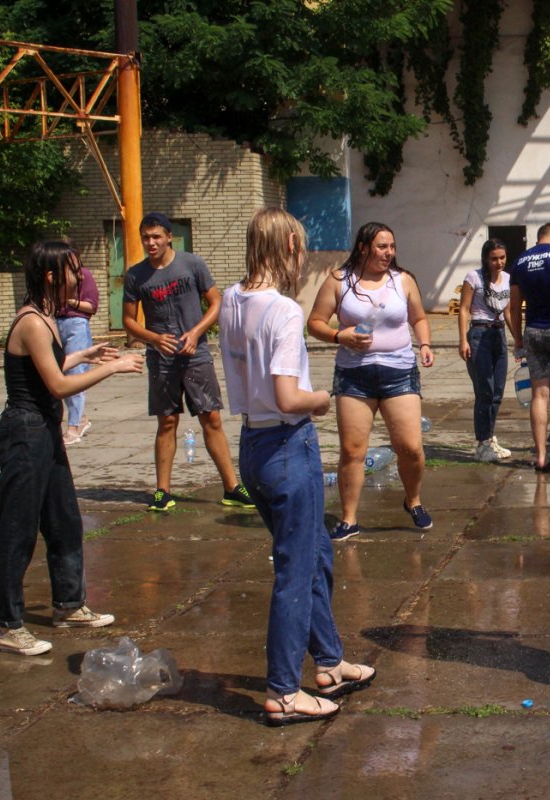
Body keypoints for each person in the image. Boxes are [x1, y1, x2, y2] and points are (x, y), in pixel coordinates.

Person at [220, 208, 375, 725]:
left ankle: (329, 661)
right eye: (301, 246)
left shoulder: (230, 300)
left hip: (253, 446)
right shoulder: (283, 309)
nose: (304, 256)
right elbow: (288, 396)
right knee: (295, 570)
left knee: (315, 554)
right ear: (289, 244)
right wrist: (321, 400)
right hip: (288, 444)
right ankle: (284, 690)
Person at [0, 241, 143, 656]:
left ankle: (69, 604)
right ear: (50, 276)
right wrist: (109, 368)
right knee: (17, 530)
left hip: (43, 429)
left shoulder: (47, 318)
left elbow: (50, 368)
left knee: (63, 521)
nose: (80, 278)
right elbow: (58, 386)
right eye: (73, 271)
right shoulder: (31, 322)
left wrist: (85, 353)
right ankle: (6, 623)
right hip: (24, 433)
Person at [308, 223, 435, 539]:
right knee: (352, 450)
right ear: (364, 247)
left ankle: (413, 500)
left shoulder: (402, 280)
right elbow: (314, 323)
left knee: (411, 448)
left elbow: (418, 318)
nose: (389, 252)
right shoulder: (340, 281)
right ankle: (349, 518)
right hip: (355, 376)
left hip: (400, 373)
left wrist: (425, 344)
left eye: (391, 246)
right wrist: (341, 335)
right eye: (382, 246)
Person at [122, 211, 253, 512]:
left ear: (169, 237)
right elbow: (128, 321)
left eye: (156, 237)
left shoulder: (192, 264)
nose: (150, 243)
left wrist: (196, 332)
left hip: (196, 355)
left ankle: (232, 487)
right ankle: (162, 492)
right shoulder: (135, 275)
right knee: (167, 421)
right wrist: (154, 339)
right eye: (146, 237)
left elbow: (216, 301)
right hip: (161, 359)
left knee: (211, 417)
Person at [509, 223, 550, 472]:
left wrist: (518, 339)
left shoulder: (520, 262)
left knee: (540, 395)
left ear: (539, 239)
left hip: (533, 331)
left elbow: (514, 307)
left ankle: (541, 456)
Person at [459, 239, 513, 463]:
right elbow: (463, 309)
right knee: (485, 391)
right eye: (494, 258)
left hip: (498, 335)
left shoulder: (509, 279)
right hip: (479, 334)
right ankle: (482, 443)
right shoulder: (474, 277)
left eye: (502, 257)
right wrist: (463, 340)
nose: (498, 262)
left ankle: (490, 437)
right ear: (485, 259)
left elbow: (509, 312)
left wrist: (518, 341)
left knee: (498, 391)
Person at [56, 261, 98, 445]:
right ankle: (80, 418)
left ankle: (73, 426)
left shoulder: (84, 275)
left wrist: (70, 301)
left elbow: (92, 306)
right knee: (59, 374)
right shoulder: (54, 276)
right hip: (56, 322)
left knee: (76, 373)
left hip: (76, 323)